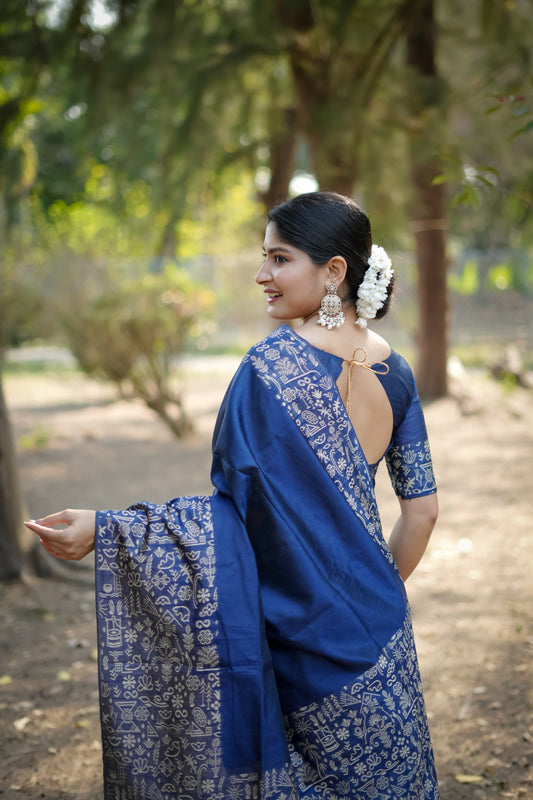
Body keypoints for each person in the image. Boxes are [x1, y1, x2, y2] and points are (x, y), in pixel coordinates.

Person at [25, 191, 439, 800]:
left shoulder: (268, 369)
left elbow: (232, 514)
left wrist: (110, 530)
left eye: (280, 258)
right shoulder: (397, 373)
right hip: (380, 631)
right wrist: (367, 596)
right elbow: (423, 511)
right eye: (264, 258)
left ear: (334, 271)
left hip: (297, 635)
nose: (261, 275)